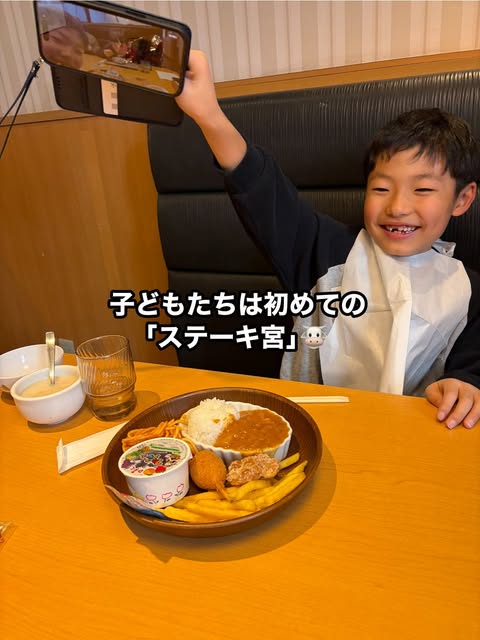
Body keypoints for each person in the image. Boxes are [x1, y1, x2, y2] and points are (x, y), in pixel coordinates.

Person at [175, 50, 480, 430]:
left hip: (410, 442)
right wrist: (209, 115)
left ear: (462, 199)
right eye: (381, 188)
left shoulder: (468, 290)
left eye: (422, 189)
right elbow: (263, 192)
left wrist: (466, 385)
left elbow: (470, 367)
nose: (398, 207)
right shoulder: (326, 250)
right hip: (312, 430)